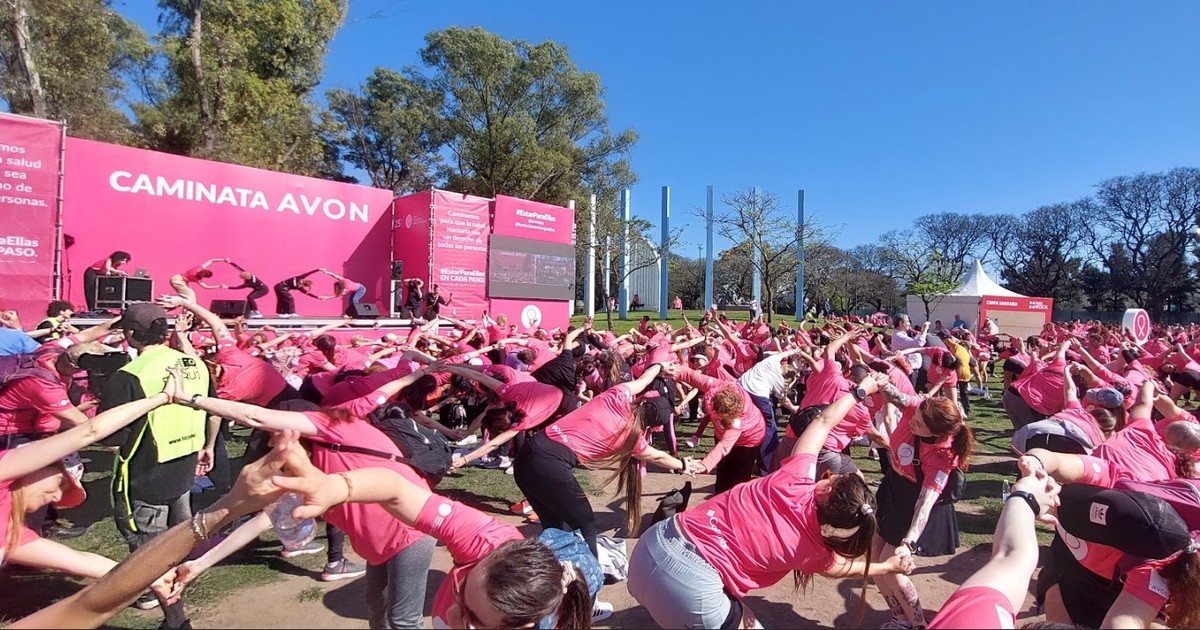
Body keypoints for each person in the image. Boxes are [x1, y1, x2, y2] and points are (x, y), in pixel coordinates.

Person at [628, 375, 915, 629]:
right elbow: (844, 568)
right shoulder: (814, 550)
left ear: (826, 488)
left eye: (830, 476)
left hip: (648, 550)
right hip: (688, 593)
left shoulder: (795, 476)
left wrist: (861, 391)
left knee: (736, 613)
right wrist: (888, 567)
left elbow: (823, 421)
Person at [178, 368, 441, 628]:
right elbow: (260, 522)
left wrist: (190, 398)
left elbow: (255, 416)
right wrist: (199, 564)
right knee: (377, 611)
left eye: (276, 432)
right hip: (377, 543)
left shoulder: (336, 422)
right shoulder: (301, 471)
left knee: (403, 620)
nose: (271, 442)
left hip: (411, 528)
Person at [268, 442, 599, 630]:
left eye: (472, 619)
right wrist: (336, 486)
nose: (454, 614)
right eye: (461, 590)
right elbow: (396, 489)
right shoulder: (486, 541)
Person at [9, 429, 300, 630]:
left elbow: (80, 560)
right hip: (160, 476)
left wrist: (152, 577)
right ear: (33, 469)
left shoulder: (10, 531)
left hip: (173, 473)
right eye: (60, 484)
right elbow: (91, 430)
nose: (57, 497)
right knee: (89, 607)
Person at [99, 302, 215, 626]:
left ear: (131, 333)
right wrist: (208, 446)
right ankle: (173, 581)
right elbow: (212, 408)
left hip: (146, 474)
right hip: (185, 464)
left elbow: (110, 436)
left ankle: (170, 611)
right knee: (179, 536)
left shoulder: (129, 374)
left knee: (147, 547)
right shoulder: (195, 363)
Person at [514, 363, 692, 558]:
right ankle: (591, 572)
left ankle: (552, 567)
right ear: (652, 425)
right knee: (586, 526)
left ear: (643, 401)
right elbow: (657, 456)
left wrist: (659, 366)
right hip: (549, 465)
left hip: (526, 454)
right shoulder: (631, 438)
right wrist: (684, 464)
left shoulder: (616, 395)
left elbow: (644, 380)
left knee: (553, 525)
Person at [871, 377, 974, 629]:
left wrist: (908, 543)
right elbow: (898, 397)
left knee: (891, 564)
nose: (911, 421)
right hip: (892, 487)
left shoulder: (941, 456)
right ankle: (900, 619)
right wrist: (881, 383)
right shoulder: (920, 409)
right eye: (914, 417)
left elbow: (925, 502)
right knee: (874, 559)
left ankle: (919, 624)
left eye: (918, 423)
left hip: (911, 501)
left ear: (936, 433)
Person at [927, 469, 1062, 629]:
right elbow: (1011, 555)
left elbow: (1011, 555)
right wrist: (1026, 497)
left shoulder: (976, 623)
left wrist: (1027, 496)